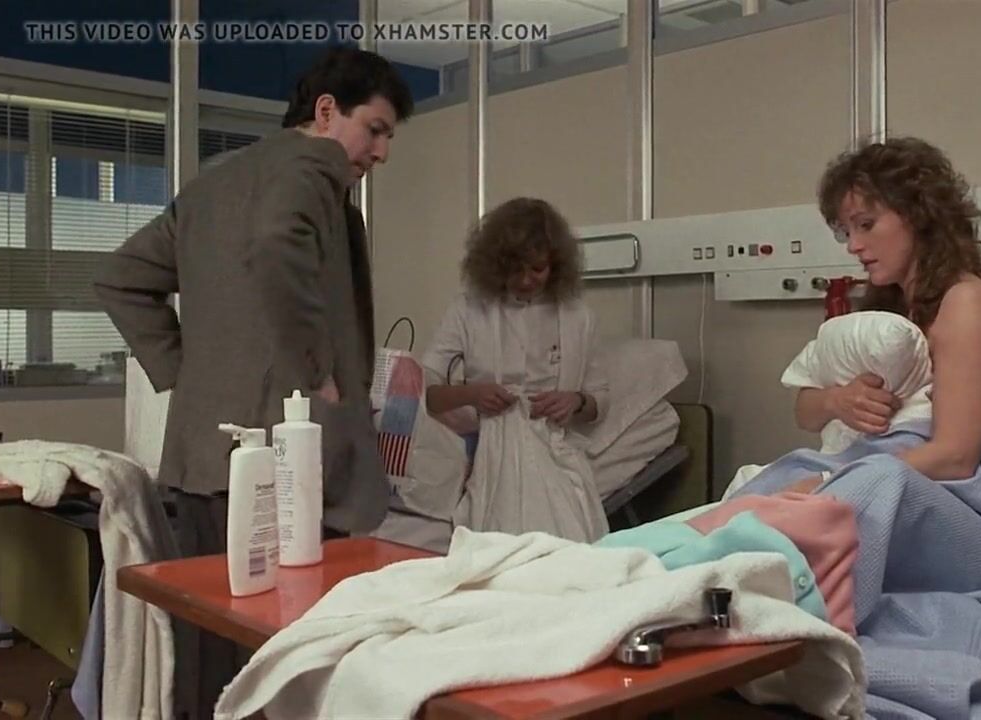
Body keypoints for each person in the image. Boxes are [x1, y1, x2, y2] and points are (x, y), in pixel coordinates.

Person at [93, 45, 413, 712]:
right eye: (375, 130)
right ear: (326, 111)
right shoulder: (313, 166)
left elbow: (121, 278)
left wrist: (185, 373)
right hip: (285, 469)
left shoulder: (214, 184)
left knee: (214, 645)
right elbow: (275, 241)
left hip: (203, 458)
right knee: (289, 655)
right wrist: (317, 369)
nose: (382, 153)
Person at [792, 137, 981, 482]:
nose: (853, 246)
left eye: (866, 225)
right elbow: (805, 412)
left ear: (918, 216)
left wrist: (833, 482)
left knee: (790, 502)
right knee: (760, 495)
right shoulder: (888, 311)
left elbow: (956, 458)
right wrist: (836, 401)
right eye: (846, 231)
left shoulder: (967, 303)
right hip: (901, 478)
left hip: (977, 497)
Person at [422, 197, 611, 541]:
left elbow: (599, 401)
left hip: (554, 445)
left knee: (565, 521)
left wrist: (575, 401)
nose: (526, 280)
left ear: (555, 265)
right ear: (495, 266)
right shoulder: (468, 311)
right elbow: (428, 394)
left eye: (537, 269)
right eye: (515, 269)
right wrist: (472, 394)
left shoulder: (578, 318)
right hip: (490, 445)